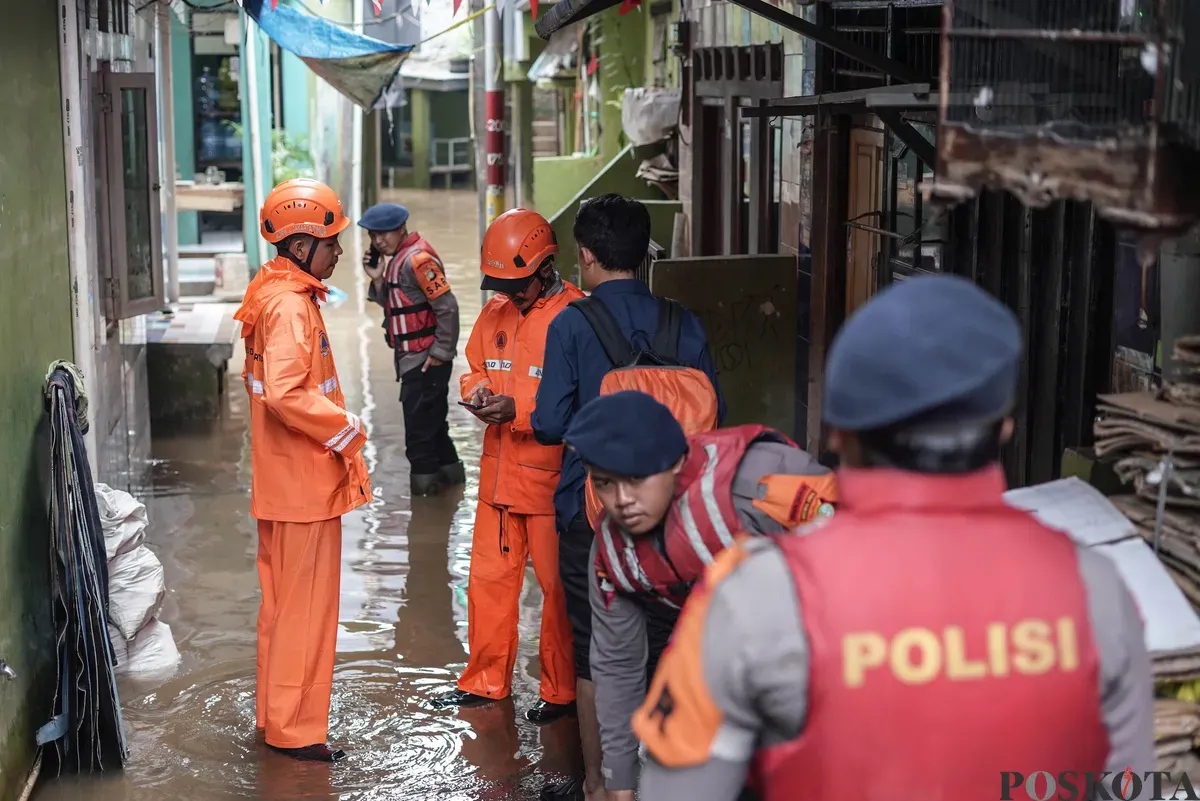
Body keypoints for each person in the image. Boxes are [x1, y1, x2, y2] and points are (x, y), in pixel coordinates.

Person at [633, 274, 1156, 800]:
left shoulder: (755, 596)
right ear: (1003, 429)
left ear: (839, 434)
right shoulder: (1095, 588)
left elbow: (679, 790)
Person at [532, 193, 725, 801]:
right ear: (646, 254)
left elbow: (547, 423)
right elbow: (716, 423)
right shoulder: (684, 322)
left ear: (586, 257)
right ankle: (672, 777)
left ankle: (600, 785)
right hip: (677, 514)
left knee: (596, 658)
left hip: (593, 514)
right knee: (674, 647)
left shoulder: (571, 323)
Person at [561, 390, 835, 800]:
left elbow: (865, 574)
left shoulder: (764, 486)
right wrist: (619, 781)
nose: (622, 500)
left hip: (819, 650)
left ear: (675, 462)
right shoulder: (611, 556)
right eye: (605, 484)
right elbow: (617, 667)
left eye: (636, 478)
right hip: (712, 655)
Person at [234, 178, 371, 763]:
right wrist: (350, 432)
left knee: (282, 611)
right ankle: (296, 732)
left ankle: (275, 718)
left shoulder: (271, 291)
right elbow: (290, 393)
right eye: (332, 240)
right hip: (306, 484)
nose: (339, 251)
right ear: (301, 244)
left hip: (283, 484)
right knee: (307, 616)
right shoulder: (291, 306)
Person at [431, 209, 582, 723]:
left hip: (551, 486)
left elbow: (586, 402)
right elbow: (473, 369)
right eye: (503, 285)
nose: (509, 294)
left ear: (545, 268)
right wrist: (478, 394)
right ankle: (485, 683)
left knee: (559, 594)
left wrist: (517, 411)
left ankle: (562, 693)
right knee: (488, 587)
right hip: (497, 482)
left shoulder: (577, 317)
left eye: (518, 285)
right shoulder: (496, 311)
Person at [358, 201, 463, 496]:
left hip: (425, 362)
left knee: (419, 441)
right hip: (414, 360)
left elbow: (448, 307)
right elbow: (398, 307)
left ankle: (426, 510)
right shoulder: (397, 261)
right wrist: (377, 278)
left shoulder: (418, 261)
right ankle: (454, 491)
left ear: (401, 228)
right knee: (435, 431)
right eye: (373, 236)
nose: (378, 241)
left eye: (384, 234)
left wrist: (440, 353)